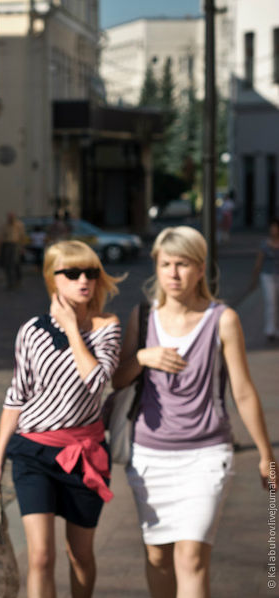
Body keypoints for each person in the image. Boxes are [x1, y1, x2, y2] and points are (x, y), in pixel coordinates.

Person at [111, 226, 275, 598]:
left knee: (191, 558)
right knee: (157, 558)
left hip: (206, 455)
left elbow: (244, 391)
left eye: (182, 264)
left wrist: (266, 454)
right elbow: (118, 380)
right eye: (165, 264)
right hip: (150, 456)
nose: (173, 273)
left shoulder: (223, 319)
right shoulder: (143, 317)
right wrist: (141, 357)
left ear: (200, 269)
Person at [0, 240, 123, 598]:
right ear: (52, 279)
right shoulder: (32, 331)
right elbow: (16, 396)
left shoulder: (108, 327)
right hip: (34, 454)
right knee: (41, 556)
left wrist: (73, 329)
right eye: (72, 273)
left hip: (85, 455)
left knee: (80, 555)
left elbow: (96, 382)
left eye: (91, 272)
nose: (83, 280)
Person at [243, 218, 279, 342]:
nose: (273, 230)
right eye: (272, 227)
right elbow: (259, 261)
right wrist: (254, 278)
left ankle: (276, 327)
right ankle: (270, 329)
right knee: (271, 302)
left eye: (275, 227)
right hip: (267, 275)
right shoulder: (265, 244)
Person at [0, 212, 27, 289]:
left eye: (12, 217)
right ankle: (10, 282)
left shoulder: (19, 225)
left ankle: (17, 280)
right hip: (7, 245)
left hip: (16, 245)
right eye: (9, 217)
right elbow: (2, 236)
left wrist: (22, 248)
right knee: (7, 264)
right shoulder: (5, 225)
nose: (10, 219)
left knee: (15, 263)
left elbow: (22, 237)